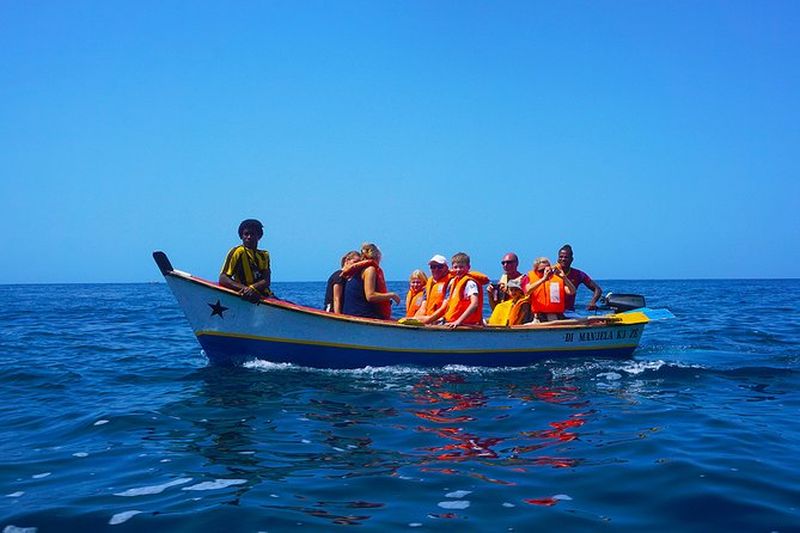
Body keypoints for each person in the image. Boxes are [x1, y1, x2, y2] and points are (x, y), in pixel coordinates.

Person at [424, 252, 490, 328]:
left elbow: (474, 304)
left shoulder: (470, 283)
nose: (458, 270)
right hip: (452, 321)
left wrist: (458, 321)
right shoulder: (454, 282)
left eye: (461, 267)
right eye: (455, 267)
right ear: (452, 268)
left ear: (468, 267)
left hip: (464, 323)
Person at [342, 243, 401, 319]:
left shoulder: (357, 269)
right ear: (378, 256)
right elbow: (370, 296)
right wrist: (392, 295)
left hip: (349, 313)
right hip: (361, 315)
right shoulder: (370, 269)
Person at [219, 218, 273, 302]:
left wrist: (252, 288)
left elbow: (266, 280)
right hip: (246, 296)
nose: (249, 237)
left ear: (259, 236)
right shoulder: (238, 252)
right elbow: (223, 278)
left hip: (265, 296)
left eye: (252, 234)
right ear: (241, 236)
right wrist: (245, 289)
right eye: (246, 234)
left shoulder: (264, 255)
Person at [524, 257, 576, 322]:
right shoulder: (531, 278)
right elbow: (527, 291)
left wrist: (564, 278)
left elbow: (572, 291)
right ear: (535, 270)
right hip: (539, 317)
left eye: (547, 270)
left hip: (557, 317)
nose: (545, 273)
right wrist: (543, 279)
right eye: (541, 271)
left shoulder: (557, 279)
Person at [556, 244, 602, 311]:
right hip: (553, 311)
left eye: (566, 257)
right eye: (561, 257)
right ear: (557, 259)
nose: (563, 259)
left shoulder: (578, 274)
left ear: (571, 259)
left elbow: (597, 289)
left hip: (569, 311)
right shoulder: (550, 273)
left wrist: (592, 302)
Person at [416, 255, 452, 322]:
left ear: (446, 268)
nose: (436, 269)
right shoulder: (429, 283)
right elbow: (423, 306)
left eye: (440, 267)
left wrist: (429, 319)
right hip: (429, 319)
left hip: (444, 320)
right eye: (433, 267)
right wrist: (414, 319)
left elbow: (445, 306)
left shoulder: (451, 282)